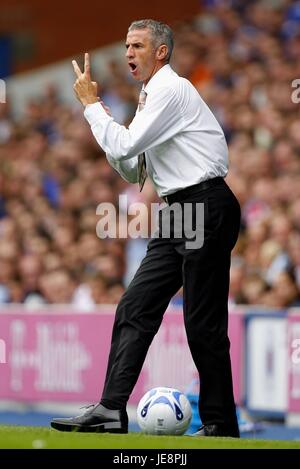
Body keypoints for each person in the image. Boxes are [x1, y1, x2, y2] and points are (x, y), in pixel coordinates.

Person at [51, 19, 241, 437]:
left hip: (205, 204)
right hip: (177, 210)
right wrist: (99, 114)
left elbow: (122, 146)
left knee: (202, 322)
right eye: (126, 46)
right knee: (135, 306)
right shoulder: (150, 95)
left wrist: (90, 109)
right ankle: (111, 409)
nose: (128, 53)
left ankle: (221, 424)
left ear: (161, 52)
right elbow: (133, 168)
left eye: (137, 45)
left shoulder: (171, 90)